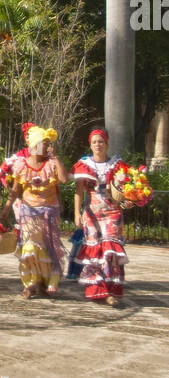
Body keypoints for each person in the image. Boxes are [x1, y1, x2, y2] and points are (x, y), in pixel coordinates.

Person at [0, 125, 68, 299]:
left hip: (49, 214)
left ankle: (46, 281)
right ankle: (31, 282)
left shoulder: (51, 164)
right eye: (44, 144)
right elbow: (15, 191)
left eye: (47, 144)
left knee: (48, 249)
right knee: (30, 248)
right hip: (29, 212)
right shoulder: (22, 164)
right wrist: (6, 210)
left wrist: (56, 158)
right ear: (35, 145)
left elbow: (64, 179)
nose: (46, 147)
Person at [71, 128, 127, 306]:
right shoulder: (84, 164)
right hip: (92, 214)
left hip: (112, 212)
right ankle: (98, 289)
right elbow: (79, 192)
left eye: (101, 141)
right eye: (94, 142)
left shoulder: (117, 165)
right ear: (90, 144)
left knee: (110, 250)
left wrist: (129, 199)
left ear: (107, 143)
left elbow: (126, 191)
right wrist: (76, 213)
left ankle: (111, 289)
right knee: (95, 251)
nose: (98, 145)